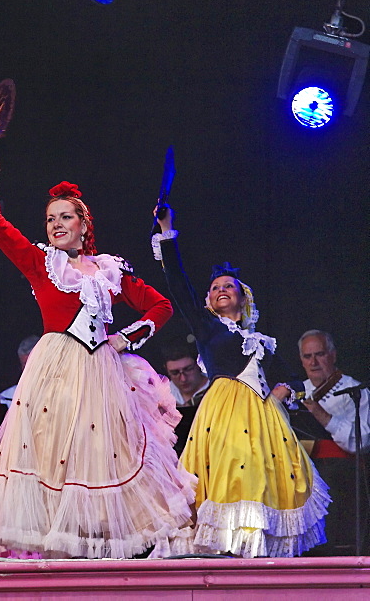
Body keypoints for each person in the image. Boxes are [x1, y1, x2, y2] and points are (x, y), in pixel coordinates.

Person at [0, 145, 193, 560]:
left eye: (65, 217)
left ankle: (97, 567)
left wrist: (127, 337)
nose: (57, 224)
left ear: (83, 223)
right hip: (56, 369)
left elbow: (160, 305)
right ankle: (61, 563)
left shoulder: (110, 269)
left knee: (99, 460)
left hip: (102, 373)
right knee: (54, 458)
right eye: (50, 218)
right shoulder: (42, 262)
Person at [152, 207, 329, 557]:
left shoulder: (262, 341)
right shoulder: (208, 328)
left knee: (266, 475)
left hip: (264, 418)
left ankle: (257, 549)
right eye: (215, 287)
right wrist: (167, 230)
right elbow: (179, 285)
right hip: (225, 413)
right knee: (231, 468)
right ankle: (226, 551)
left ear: (242, 296)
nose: (220, 290)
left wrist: (283, 390)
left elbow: (291, 377)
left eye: (227, 286)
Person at [280, 330, 368, 556]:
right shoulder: (295, 391)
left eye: (319, 354)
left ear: (332, 355)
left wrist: (321, 415)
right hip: (298, 475)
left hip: (339, 479)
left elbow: (359, 443)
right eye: (307, 356)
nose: (313, 362)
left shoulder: (356, 391)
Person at [161, 339, 210, 454]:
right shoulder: (164, 393)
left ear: (198, 364)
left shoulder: (216, 388)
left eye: (188, 369)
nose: (183, 378)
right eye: (175, 373)